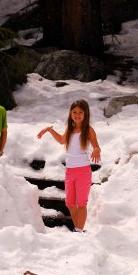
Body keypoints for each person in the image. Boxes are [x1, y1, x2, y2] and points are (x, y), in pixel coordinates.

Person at [37, 99, 101, 233]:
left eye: (80, 112)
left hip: (83, 171)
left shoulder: (88, 130)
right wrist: (49, 130)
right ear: (71, 113)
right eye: (74, 112)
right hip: (70, 171)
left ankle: (78, 231)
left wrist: (96, 150)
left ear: (86, 114)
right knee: (70, 203)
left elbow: (96, 145)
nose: (77, 115)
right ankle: (79, 230)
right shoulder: (69, 129)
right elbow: (61, 140)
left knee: (81, 204)